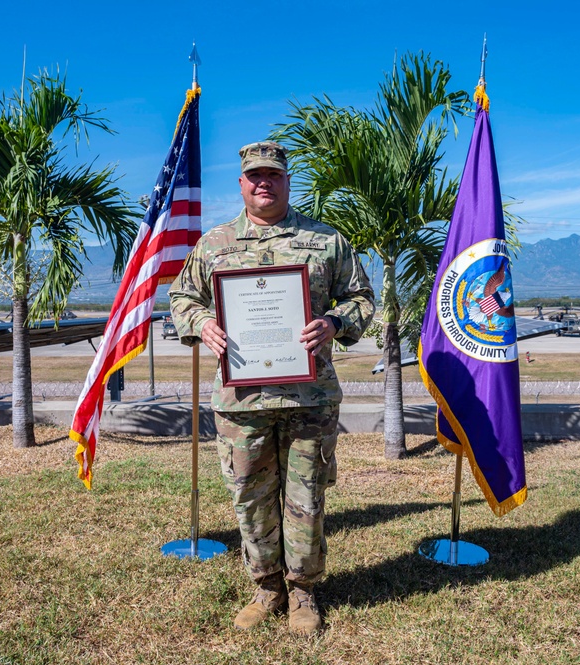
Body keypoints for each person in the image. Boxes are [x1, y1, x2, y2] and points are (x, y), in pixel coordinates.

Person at [169, 141, 375, 634]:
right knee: (250, 496)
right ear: (241, 183)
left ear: (287, 181)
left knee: (306, 495)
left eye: (273, 175)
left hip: (309, 398)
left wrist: (333, 322)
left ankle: (303, 592)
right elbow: (182, 294)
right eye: (254, 175)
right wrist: (203, 323)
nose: (264, 183)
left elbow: (362, 296)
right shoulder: (215, 244)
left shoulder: (326, 240)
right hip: (242, 401)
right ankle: (267, 586)